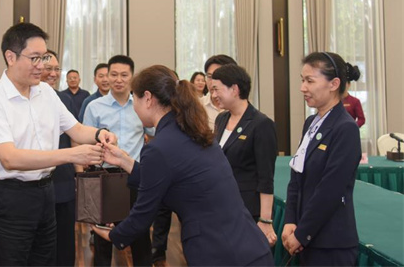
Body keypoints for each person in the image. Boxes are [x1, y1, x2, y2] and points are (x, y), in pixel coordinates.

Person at [92, 65, 273, 266]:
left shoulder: (159, 147)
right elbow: (167, 180)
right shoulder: (194, 131)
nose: (133, 105)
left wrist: (114, 235)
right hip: (248, 245)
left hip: (218, 252)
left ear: (148, 98)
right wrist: (124, 160)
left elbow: (144, 212)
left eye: (134, 98)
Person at [0, 22, 117, 266]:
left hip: (46, 193)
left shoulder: (46, 93)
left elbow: (76, 129)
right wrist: (71, 155)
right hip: (12, 197)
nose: (41, 66)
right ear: (10, 57)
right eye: (34, 58)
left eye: (44, 57)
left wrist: (100, 134)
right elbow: (10, 158)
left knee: (46, 260)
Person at [282, 52, 361, 266]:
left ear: (333, 84)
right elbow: (296, 176)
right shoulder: (311, 123)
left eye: (310, 81)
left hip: (330, 243)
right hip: (306, 234)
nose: (302, 88)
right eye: (302, 80)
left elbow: (330, 190)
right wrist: (290, 220)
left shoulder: (345, 128)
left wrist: (302, 234)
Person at [83, 55, 153, 267]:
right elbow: (85, 140)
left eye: (124, 75)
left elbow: (157, 131)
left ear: (132, 77)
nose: (118, 79)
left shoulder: (143, 105)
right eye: (113, 74)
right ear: (107, 76)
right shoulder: (94, 107)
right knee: (102, 239)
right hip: (105, 177)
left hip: (135, 175)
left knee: (140, 236)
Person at [211, 64, 278, 246]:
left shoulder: (261, 124)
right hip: (222, 204)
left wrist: (265, 220)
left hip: (247, 209)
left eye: (216, 89)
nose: (213, 95)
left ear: (234, 89)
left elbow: (266, 177)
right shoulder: (221, 119)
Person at [41, 49, 76, 267]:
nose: (53, 74)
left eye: (57, 69)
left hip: (63, 180)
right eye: (48, 69)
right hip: (34, 185)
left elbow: (75, 136)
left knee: (64, 242)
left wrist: (78, 175)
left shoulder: (64, 100)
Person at [200, 54, 238, 129]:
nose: (212, 82)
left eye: (218, 77)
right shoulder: (198, 106)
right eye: (209, 77)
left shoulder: (239, 108)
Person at [342, 63, 365, 128]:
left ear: (349, 85)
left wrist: (353, 126)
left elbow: (361, 119)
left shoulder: (355, 101)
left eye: (344, 84)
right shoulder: (334, 100)